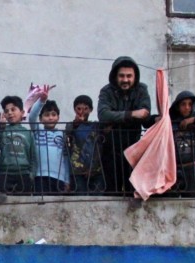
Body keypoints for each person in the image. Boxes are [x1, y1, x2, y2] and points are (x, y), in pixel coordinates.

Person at [97, 56, 151, 195]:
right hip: (111, 150)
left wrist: (115, 118)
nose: (125, 80)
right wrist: (131, 114)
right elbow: (103, 115)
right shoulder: (106, 92)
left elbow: (144, 114)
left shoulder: (141, 90)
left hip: (134, 151)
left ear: (135, 76)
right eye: (121, 76)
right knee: (111, 192)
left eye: (129, 76)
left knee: (132, 192)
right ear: (115, 76)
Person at [28, 85, 69, 193]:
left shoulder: (62, 135)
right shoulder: (38, 131)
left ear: (58, 117)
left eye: (53, 114)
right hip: (40, 176)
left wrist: (67, 179)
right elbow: (32, 117)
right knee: (41, 206)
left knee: (57, 207)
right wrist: (42, 101)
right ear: (41, 119)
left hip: (59, 178)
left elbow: (65, 159)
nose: (50, 117)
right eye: (46, 115)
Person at [0, 95, 35, 194]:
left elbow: (33, 156)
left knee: (24, 205)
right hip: (5, 173)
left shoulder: (28, 133)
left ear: (22, 112)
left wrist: (32, 175)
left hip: (24, 174)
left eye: (13, 109)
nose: (10, 113)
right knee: (3, 205)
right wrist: (0, 129)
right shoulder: (2, 130)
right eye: (6, 111)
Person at [65, 94, 105, 194]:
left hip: (95, 169)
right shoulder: (71, 125)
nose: (82, 112)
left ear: (91, 110)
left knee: (97, 198)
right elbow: (68, 133)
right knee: (80, 196)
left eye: (86, 109)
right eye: (78, 108)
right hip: (77, 169)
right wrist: (76, 123)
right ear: (74, 110)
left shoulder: (96, 126)